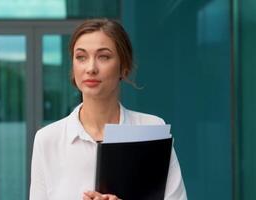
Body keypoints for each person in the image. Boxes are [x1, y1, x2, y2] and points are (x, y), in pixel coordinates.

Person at [29, 18, 187, 200]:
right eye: (81, 57)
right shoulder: (47, 140)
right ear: (73, 66)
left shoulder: (151, 130)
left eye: (103, 56)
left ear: (124, 67)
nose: (91, 68)